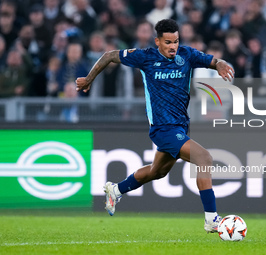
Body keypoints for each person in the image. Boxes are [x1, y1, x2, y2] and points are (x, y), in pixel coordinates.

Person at [76, 19, 234, 233]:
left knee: (156, 172)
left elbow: (213, 61)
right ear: (157, 41)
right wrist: (88, 79)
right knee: (204, 158)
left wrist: (221, 64)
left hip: (180, 127)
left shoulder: (186, 55)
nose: (173, 46)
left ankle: (116, 189)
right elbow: (109, 56)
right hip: (163, 129)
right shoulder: (145, 57)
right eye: (168, 42)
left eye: (176, 41)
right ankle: (211, 219)